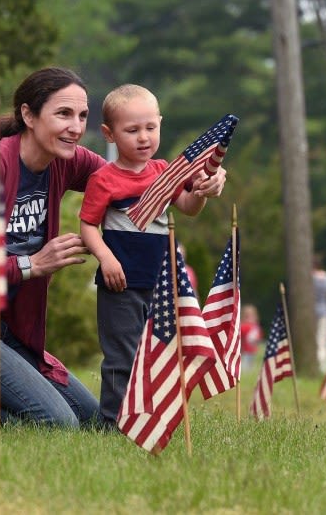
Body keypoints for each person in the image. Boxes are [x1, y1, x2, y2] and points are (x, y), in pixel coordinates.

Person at [79, 84, 226, 428]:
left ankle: (155, 417)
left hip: (162, 281)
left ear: (160, 123)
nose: (143, 137)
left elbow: (189, 208)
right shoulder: (105, 179)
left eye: (150, 127)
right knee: (121, 355)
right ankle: (114, 422)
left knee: (161, 350)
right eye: (132, 130)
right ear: (109, 134)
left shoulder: (164, 173)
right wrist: (106, 257)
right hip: (121, 283)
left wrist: (202, 190)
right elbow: (87, 226)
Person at [0, 67, 102, 428]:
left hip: (9, 329)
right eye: (64, 114)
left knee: (92, 419)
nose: (76, 127)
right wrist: (31, 264)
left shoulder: (64, 161)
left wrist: (193, 181)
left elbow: (128, 181)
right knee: (59, 425)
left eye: (82, 115)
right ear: (28, 115)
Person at [312, 255, 326, 372]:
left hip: (312, 310)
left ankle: (318, 362)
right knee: (322, 339)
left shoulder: (311, 278)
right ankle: (322, 364)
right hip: (324, 309)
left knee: (315, 339)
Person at [240, 304, 263, 371]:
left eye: (251, 316)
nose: (249, 318)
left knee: (250, 364)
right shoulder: (243, 326)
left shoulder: (255, 327)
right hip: (244, 350)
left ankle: (249, 371)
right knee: (244, 364)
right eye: (247, 316)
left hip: (253, 350)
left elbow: (258, 337)